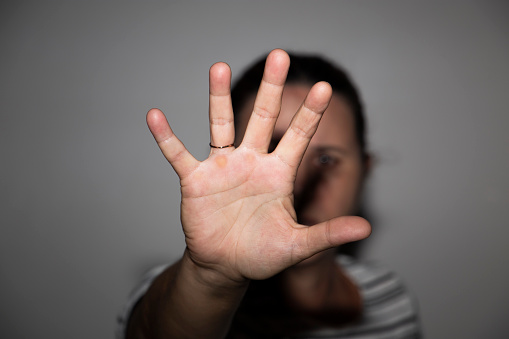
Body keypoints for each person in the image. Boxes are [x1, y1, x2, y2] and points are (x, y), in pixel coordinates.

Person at [118, 49, 421, 338]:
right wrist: (211, 277)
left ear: (365, 171)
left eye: (326, 159)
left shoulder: (390, 296)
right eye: (271, 151)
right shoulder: (183, 288)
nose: (296, 183)